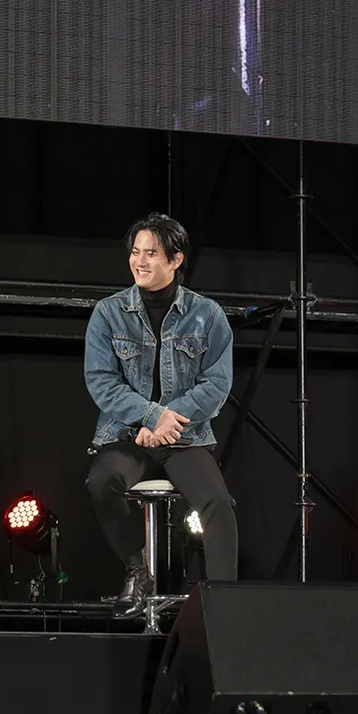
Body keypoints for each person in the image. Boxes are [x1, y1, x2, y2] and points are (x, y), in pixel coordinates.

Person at [83, 213, 238, 618]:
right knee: (102, 482)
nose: (140, 261)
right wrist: (150, 417)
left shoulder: (208, 315)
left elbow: (215, 386)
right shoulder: (107, 313)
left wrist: (166, 421)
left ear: (175, 260)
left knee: (218, 503)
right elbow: (101, 382)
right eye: (135, 252)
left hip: (185, 437)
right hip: (126, 435)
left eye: (151, 253)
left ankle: (224, 602)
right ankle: (137, 570)